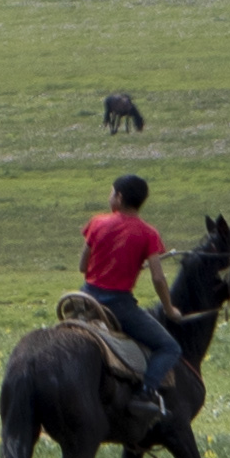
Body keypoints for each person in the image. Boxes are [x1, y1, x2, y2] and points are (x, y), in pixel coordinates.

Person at [76, 172, 174, 415]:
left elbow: (82, 267)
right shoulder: (149, 233)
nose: (109, 197)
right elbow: (158, 278)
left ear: (118, 198)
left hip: (85, 299)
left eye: (111, 192)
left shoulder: (97, 222)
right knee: (169, 347)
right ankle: (145, 393)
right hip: (118, 305)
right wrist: (169, 308)